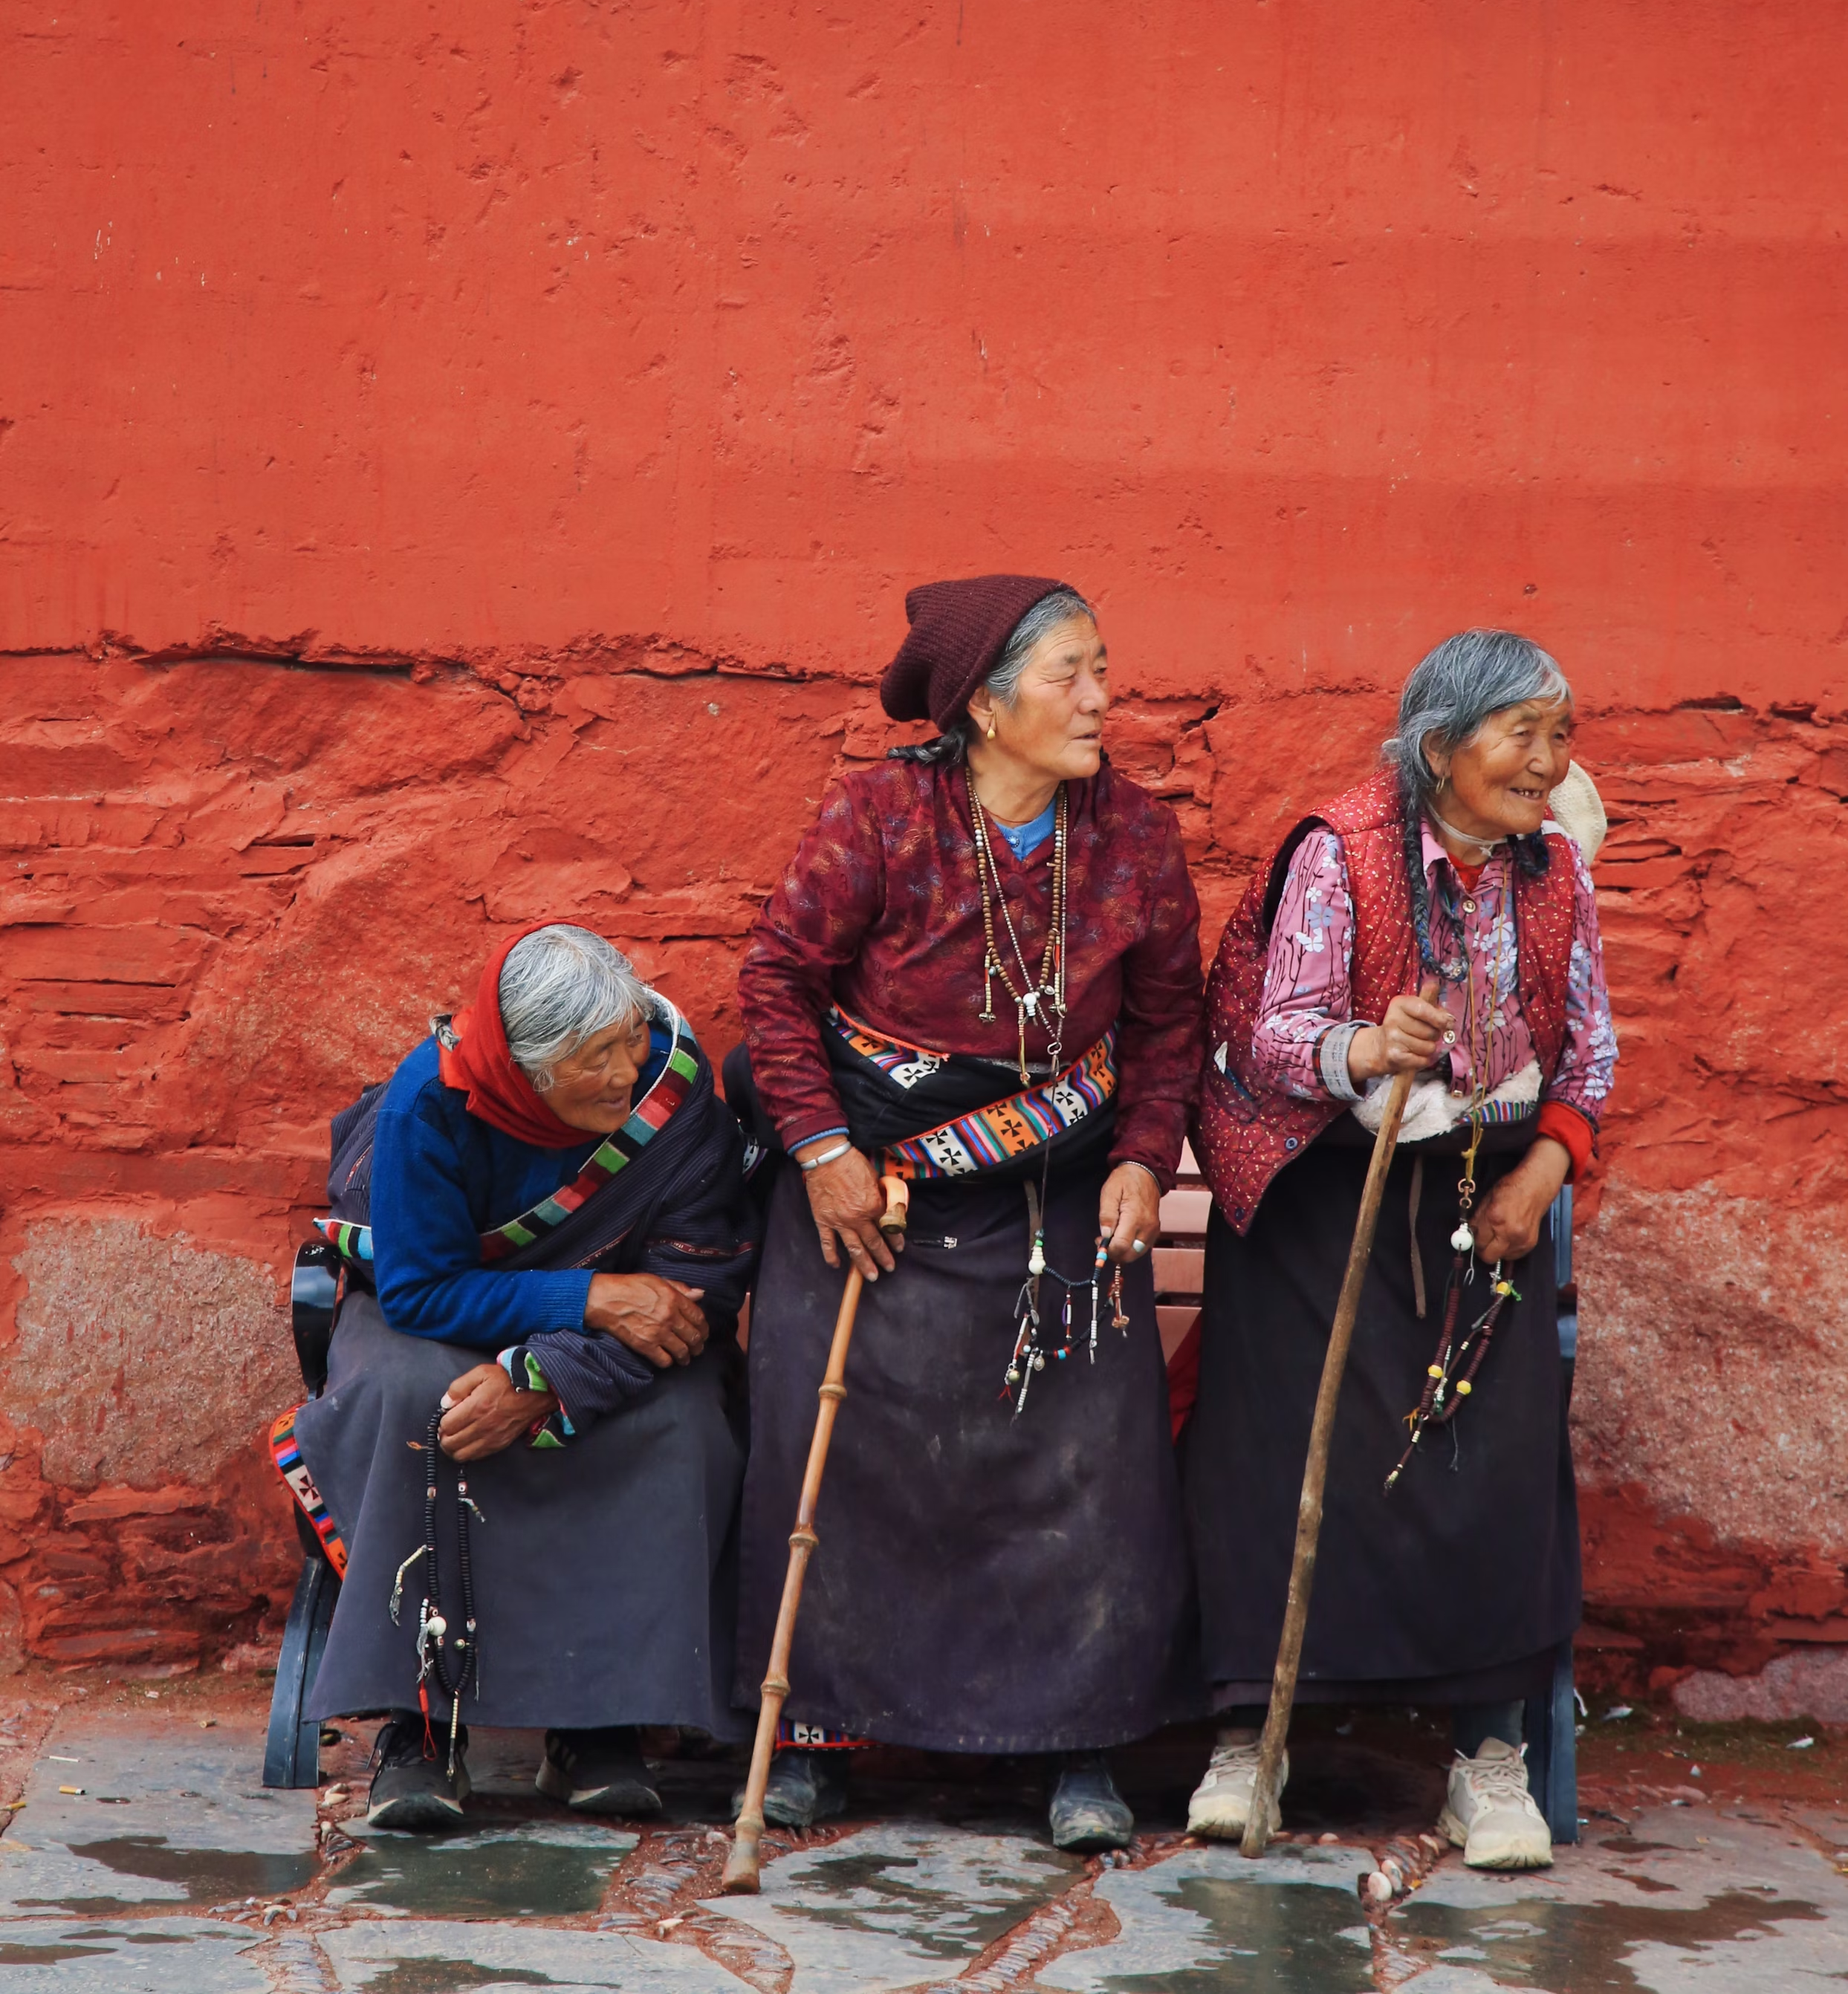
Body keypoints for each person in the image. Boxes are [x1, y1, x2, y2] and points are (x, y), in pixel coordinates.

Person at [729, 574, 1205, 1854]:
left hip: (1051, 1194)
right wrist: (820, 1147)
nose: (1101, 698)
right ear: (985, 707)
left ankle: (1075, 1741)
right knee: (838, 1449)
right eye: (1072, 674)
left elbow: (1168, 1022)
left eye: (1103, 667)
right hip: (871, 1190)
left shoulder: (1134, 838)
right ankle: (820, 1726)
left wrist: (1144, 1160)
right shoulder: (879, 815)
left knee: (1081, 1460)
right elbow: (776, 982)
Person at [1184, 629, 1617, 1871]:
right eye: (1520, 735)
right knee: (1269, 1461)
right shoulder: (1340, 852)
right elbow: (1273, 1039)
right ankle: (1244, 1737)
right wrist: (1368, 1047)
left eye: (1560, 734)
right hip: (1327, 1190)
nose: (1547, 762)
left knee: (1489, 1466)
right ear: (1438, 748)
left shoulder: (1553, 873)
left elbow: (1586, 1052)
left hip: (1487, 1190)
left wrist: (1541, 1174)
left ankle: (1485, 1756)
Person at [277, 923, 758, 1832]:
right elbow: (421, 1290)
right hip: (435, 1311)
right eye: (594, 1057)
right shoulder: (432, 1103)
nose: (626, 1067)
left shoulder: (675, 1097)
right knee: (412, 1402)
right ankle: (420, 1724)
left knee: (682, 1419)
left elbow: (691, 1288)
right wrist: (590, 1296)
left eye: (630, 1035)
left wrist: (550, 1373)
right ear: (528, 1071)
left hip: (605, 1333)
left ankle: (603, 1720)